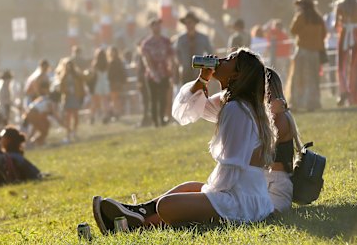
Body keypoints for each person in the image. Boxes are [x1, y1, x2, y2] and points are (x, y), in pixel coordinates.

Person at [92, 48, 275, 232]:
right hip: (241, 194)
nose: (221, 59)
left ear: (237, 74)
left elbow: (233, 164)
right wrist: (203, 79)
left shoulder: (237, 110)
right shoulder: (232, 102)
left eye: (229, 59)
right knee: (189, 187)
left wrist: (210, 194)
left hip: (242, 202)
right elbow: (187, 111)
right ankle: (136, 214)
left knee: (166, 205)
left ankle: (138, 222)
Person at [265, 67, 303, 214]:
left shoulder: (279, 117)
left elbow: (259, 144)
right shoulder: (276, 113)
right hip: (267, 182)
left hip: (274, 186)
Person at [288, 0, 326, 112]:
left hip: (302, 50)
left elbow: (293, 30)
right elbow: (324, 34)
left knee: (298, 77)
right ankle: (312, 103)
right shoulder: (319, 18)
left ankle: (297, 103)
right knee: (312, 77)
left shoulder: (301, 16)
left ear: (302, 5)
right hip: (315, 52)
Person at [141, 17, 173, 127]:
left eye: (159, 24)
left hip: (164, 73)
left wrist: (171, 68)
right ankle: (155, 121)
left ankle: (162, 118)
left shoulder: (166, 41)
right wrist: (153, 72)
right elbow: (146, 59)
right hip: (151, 75)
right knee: (153, 98)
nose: (157, 27)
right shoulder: (147, 43)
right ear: (151, 27)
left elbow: (170, 56)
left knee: (163, 97)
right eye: (155, 25)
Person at [173, 11, 213, 85]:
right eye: (187, 23)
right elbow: (176, 53)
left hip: (200, 72)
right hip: (185, 72)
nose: (188, 25)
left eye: (190, 22)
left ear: (195, 23)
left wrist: (206, 67)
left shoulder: (203, 38)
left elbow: (211, 53)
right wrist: (180, 65)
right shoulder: (181, 38)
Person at [22, 82, 68, 146]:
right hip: (34, 113)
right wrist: (64, 125)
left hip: (29, 112)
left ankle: (30, 142)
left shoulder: (44, 98)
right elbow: (55, 115)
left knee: (44, 125)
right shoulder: (51, 103)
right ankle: (34, 143)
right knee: (44, 131)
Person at [59, 59, 86, 141]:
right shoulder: (63, 76)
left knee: (76, 115)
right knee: (68, 116)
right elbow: (61, 88)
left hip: (76, 96)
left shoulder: (77, 75)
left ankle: (75, 132)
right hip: (68, 97)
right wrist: (67, 90)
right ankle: (68, 133)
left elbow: (82, 85)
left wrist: (82, 95)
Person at [89, 48, 110, 124]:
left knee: (95, 102)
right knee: (105, 101)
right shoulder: (107, 63)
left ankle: (92, 117)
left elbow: (92, 75)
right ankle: (106, 116)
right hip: (105, 83)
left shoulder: (95, 64)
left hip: (98, 84)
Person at [107, 46, 127, 121]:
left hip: (115, 82)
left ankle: (116, 113)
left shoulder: (116, 62)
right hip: (114, 82)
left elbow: (121, 72)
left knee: (115, 98)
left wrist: (123, 81)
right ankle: (115, 112)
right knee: (115, 98)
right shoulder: (115, 61)